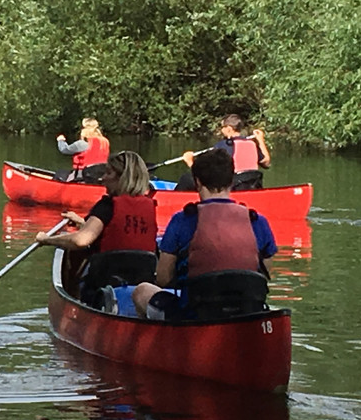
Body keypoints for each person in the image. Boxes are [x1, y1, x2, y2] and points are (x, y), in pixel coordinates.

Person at [132, 148, 277, 321]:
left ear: (197, 182)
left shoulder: (182, 220)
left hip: (194, 314)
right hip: (246, 313)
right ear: (232, 181)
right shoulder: (257, 221)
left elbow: (163, 278)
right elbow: (265, 274)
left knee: (141, 291)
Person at [36, 151, 157, 310]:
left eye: (108, 172)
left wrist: (46, 240)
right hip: (140, 281)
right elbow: (119, 228)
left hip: (104, 284)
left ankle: (75, 306)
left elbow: (81, 240)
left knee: (74, 255)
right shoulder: (150, 206)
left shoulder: (107, 206)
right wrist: (82, 222)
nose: (102, 178)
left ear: (122, 177)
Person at [175, 114, 271, 191]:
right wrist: (260, 140)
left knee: (186, 178)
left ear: (229, 128)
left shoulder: (223, 146)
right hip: (252, 187)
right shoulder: (252, 144)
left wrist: (190, 162)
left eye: (222, 127)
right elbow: (266, 163)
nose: (221, 130)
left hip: (232, 189)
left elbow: (207, 174)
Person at [56, 117, 110, 182]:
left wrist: (61, 140)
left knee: (59, 173)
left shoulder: (83, 143)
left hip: (82, 176)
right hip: (100, 176)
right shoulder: (104, 142)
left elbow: (64, 150)